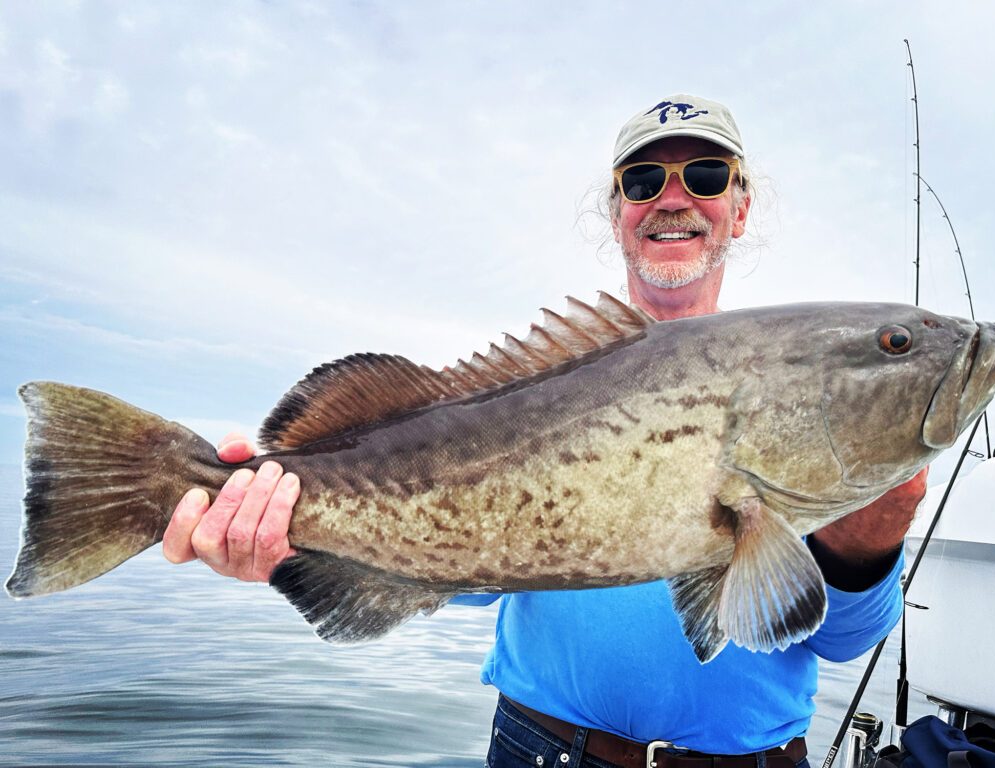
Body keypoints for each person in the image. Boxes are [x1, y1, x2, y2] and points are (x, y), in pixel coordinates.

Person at [162, 93, 927, 768]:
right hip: (543, 752)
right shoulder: (534, 386)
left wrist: (873, 542)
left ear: (740, 205)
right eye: (642, 181)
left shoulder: (806, 415)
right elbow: (469, 586)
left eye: (704, 176)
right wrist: (284, 533)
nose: (673, 199)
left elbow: (840, 642)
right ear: (616, 210)